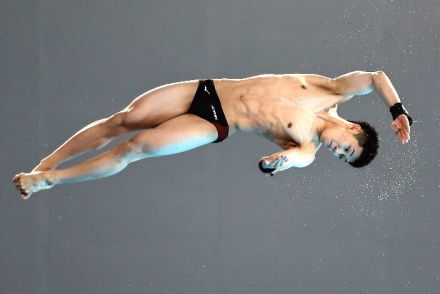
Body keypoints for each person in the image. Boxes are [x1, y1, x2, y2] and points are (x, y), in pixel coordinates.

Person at [13, 71, 412, 199]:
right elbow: (375, 76)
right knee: (123, 120)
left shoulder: (306, 146)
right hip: (207, 90)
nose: (337, 152)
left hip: (214, 124)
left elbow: (296, 159)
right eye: (347, 149)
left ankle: (50, 179)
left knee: (134, 148)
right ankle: (47, 163)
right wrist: (397, 109)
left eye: (341, 158)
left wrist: (277, 162)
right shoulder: (331, 90)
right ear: (353, 128)